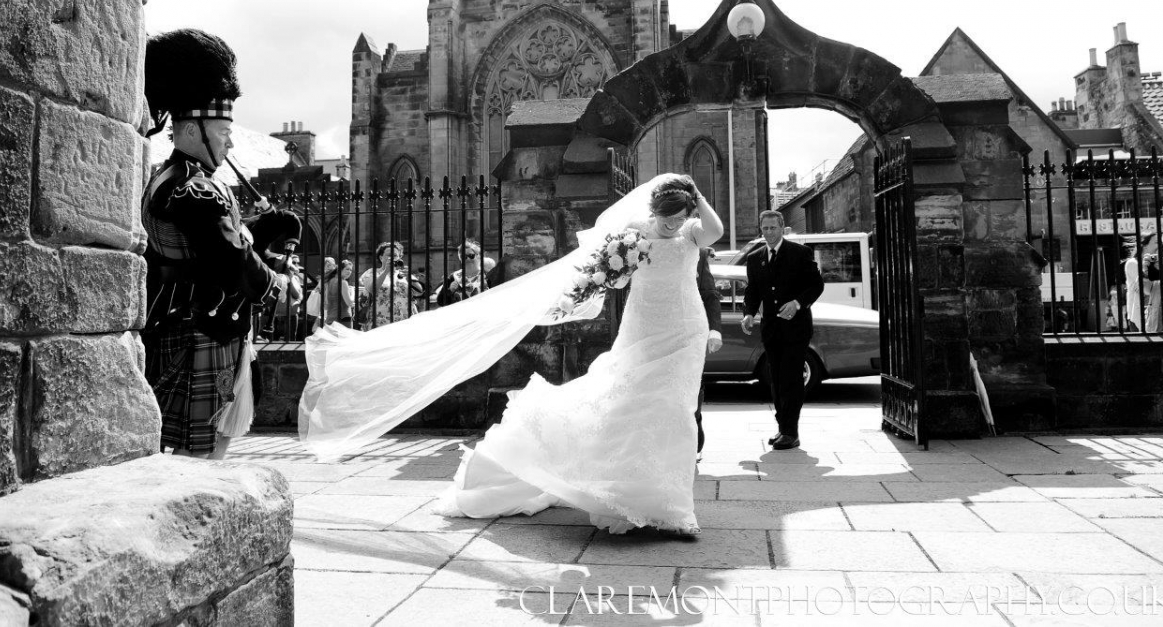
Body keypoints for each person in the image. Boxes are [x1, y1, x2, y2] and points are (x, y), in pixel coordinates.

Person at [299, 173, 724, 536]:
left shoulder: (691, 233)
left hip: (685, 330)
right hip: (642, 327)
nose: (670, 226)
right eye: (665, 218)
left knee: (675, 410)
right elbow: (604, 279)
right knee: (634, 405)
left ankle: (674, 511)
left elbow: (717, 232)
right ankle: (636, 494)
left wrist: (696, 195)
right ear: (654, 212)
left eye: (678, 218)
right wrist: (587, 286)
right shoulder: (634, 234)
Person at [140, 29, 301, 460]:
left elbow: (217, 241)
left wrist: (265, 228)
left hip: (194, 323)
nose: (230, 141)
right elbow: (229, 258)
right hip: (202, 328)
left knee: (197, 449)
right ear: (192, 130)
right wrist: (276, 284)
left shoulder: (174, 178)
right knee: (204, 454)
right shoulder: (195, 189)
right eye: (223, 130)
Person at [741, 210, 824, 450]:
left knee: (791, 379)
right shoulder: (755, 258)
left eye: (773, 228)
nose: (768, 233)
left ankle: (791, 431)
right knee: (775, 379)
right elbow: (753, 291)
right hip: (771, 329)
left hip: (796, 329)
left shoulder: (799, 253)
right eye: (765, 229)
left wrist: (798, 303)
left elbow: (816, 285)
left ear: (782, 228)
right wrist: (748, 313)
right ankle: (781, 427)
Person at [693, 246, 723, 462]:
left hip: (690, 332)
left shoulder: (699, 254)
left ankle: (694, 437)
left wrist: (714, 330)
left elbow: (710, 295)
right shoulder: (644, 246)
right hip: (658, 331)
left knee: (692, 386)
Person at [359, 242, 420, 327]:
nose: (392, 258)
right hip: (380, 321)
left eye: (395, 255)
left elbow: (420, 292)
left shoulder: (403, 273)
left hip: (405, 320)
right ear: (381, 257)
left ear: (399, 258)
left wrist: (410, 278)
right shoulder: (371, 272)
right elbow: (371, 288)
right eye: (388, 255)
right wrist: (386, 271)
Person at [436, 239, 497, 307]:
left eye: (471, 256)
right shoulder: (453, 277)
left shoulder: (488, 275)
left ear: (478, 256)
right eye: (463, 257)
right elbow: (440, 301)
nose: (467, 259)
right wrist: (449, 291)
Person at [306, 257, 355, 330]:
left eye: (351, 270)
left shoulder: (330, 281)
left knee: (328, 337)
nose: (349, 272)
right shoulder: (343, 283)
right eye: (347, 269)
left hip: (330, 316)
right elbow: (349, 303)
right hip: (343, 316)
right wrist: (353, 293)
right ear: (340, 269)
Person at [1123, 233, 1158, 332]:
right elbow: (1146, 290)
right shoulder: (1133, 263)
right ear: (1145, 246)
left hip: (1155, 313)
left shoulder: (1157, 263)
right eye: (1156, 242)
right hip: (1138, 315)